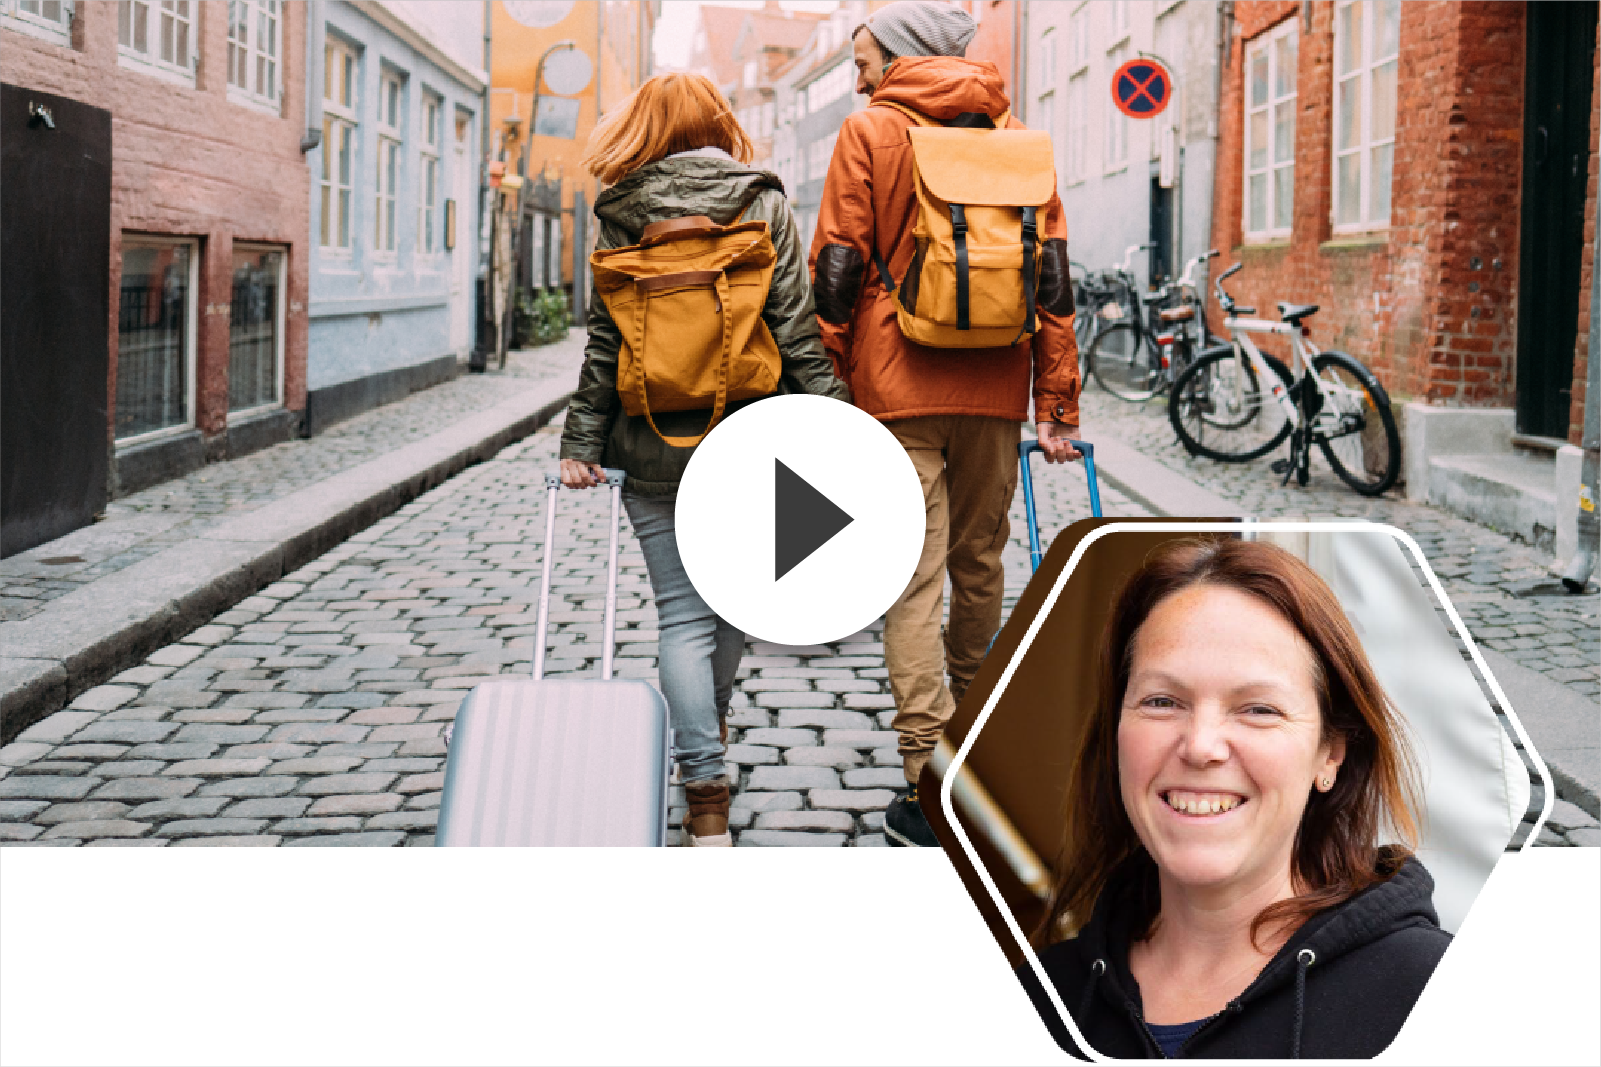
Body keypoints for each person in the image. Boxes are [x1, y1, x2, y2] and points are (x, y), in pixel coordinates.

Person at [809, 0, 1084, 847]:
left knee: (911, 575)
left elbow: (837, 264)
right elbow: (1053, 285)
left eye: (866, 57)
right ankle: (981, 741)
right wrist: (1057, 407)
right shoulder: (1019, 140)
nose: (858, 73)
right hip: (995, 387)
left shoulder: (869, 133)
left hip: (895, 387)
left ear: (903, 53)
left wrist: (830, 381)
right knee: (979, 565)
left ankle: (930, 769)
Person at [559, 73, 851, 847]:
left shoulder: (621, 209)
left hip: (650, 438)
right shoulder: (762, 201)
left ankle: (704, 791)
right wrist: (836, 425)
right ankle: (707, 752)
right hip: (750, 438)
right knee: (730, 609)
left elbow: (606, 339)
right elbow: (795, 325)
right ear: (719, 124)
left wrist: (580, 440)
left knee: (683, 616)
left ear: (646, 127)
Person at [1017, 538, 1449, 1059]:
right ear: (1116, 731)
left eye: (1259, 709)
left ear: (1329, 753)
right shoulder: (1038, 997)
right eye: (1161, 701)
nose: (1201, 746)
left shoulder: (1431, 993)